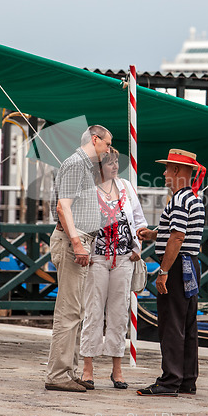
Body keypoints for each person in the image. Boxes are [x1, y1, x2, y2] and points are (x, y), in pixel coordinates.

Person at [45, 125, 112, 393]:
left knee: (76, 311)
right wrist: (76, 243)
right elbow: (63, 207)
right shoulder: (75, 164)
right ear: (95, 140)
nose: (109, 149)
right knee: (69, 311)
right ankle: (58, 373)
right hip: (74, 242)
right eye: (107, 143)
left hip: (81, 241)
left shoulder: (83, 166)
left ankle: (67, 371)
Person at [136, 148, 205, 397]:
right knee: (187, 323)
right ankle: (186, 379)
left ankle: (169, 380)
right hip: (191, 265)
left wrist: (163, 271)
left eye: (167, 168)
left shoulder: (178, 200)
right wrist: (155, 234)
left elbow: (177, 237)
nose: (164, 173)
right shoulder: (194, 199)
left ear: (177, 170)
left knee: (171, 323)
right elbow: (176, 231)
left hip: (177, 267)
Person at [80, 147, 147, 389]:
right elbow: (78, 221)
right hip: (96, 257)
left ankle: (117, 368)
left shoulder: (126, 187)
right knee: (94, 310)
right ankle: (88, 366)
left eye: (116, 162)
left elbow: (139, 219)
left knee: (119, 313)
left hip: (124, 258)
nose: (115, 167)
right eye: (109, 163)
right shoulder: (87, 190)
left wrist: (137, 248)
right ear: (98, 167)